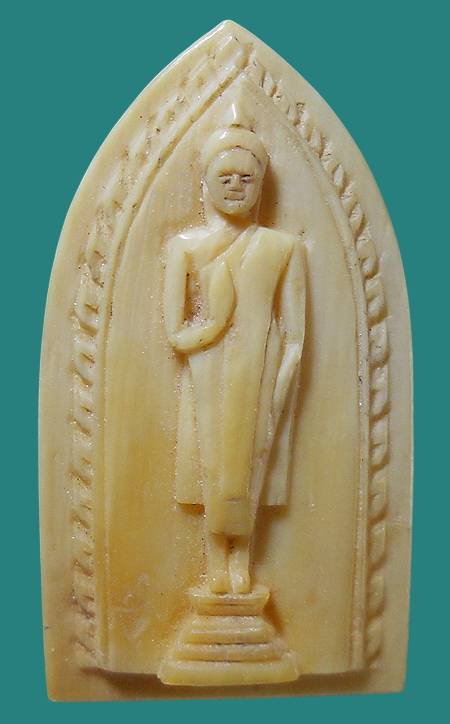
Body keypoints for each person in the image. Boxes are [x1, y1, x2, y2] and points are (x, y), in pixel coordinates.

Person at [164, 116, 305, 594]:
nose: (235, 186)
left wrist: (283, 383)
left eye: (246, 178)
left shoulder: (283, 247)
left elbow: (295, 333)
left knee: (251, 462)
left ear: (261, 186)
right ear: (205, 184)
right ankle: (215, 563)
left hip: (261, 367)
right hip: (208, 368)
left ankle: (241, 559)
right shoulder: (185, 247)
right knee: (214, 462)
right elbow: (175, 333)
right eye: (224, 177)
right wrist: (213, 327)